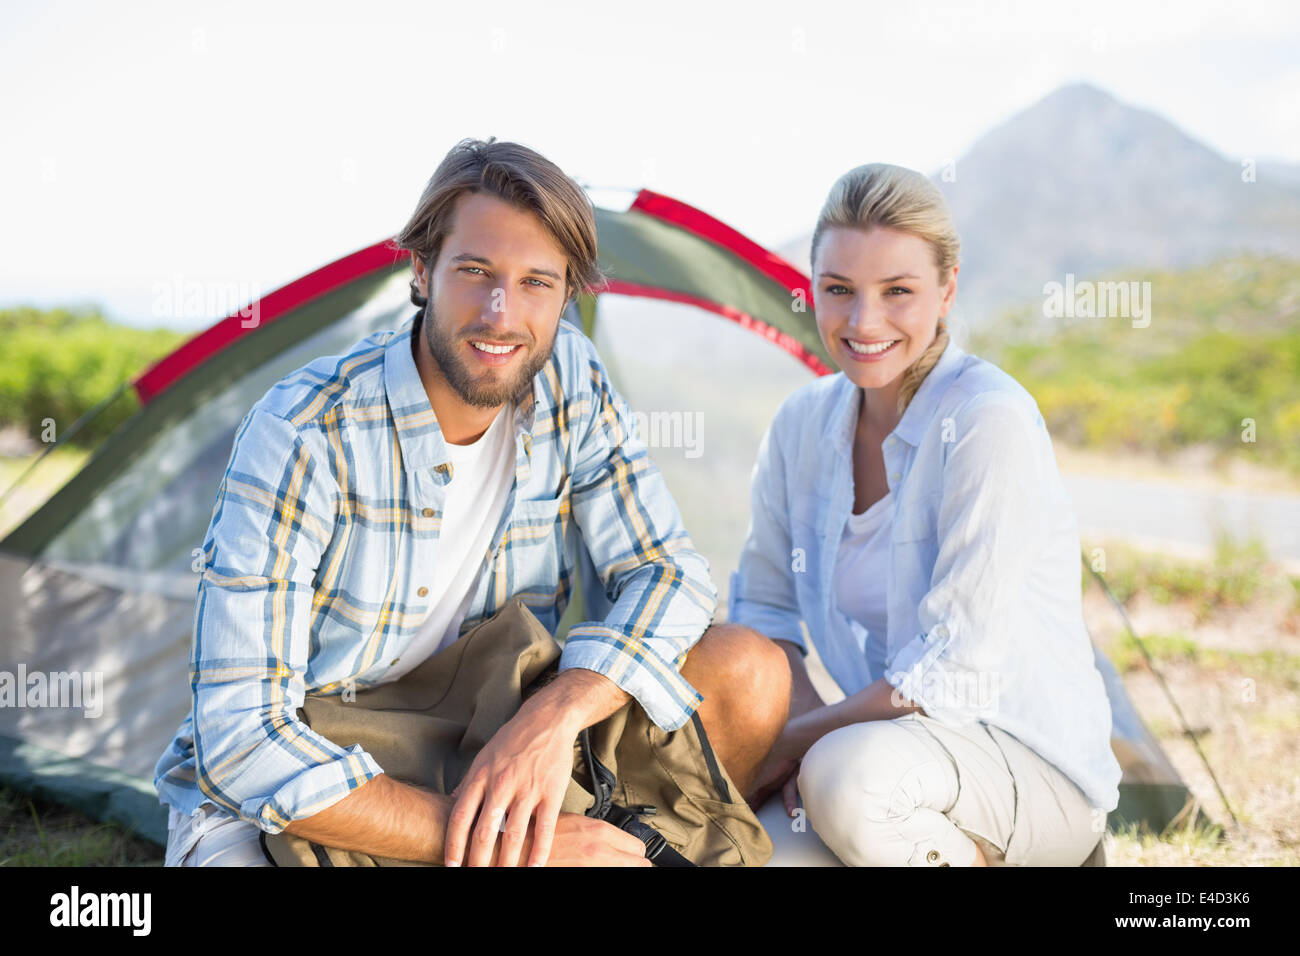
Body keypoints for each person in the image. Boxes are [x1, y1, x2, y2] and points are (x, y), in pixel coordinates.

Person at [154, 137, 790, 868]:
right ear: (422, 271)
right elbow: (242, 740)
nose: (501, 314)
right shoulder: (302, 432)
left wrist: (557, 716)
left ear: (568, 296)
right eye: (476, 272)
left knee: (748, 669)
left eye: (535, 284)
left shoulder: (569, 377)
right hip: (321, 760)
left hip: (492, 729)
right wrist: (518, 845)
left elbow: (669, 572)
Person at [734, 163, 1122, 867]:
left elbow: (954, 672)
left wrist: (801, 743)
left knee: (843, 781)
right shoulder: (800, 426)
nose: (864, 322)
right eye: (839, 291)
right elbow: (763, 608)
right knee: (761, 852)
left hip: (1027, 763)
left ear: (947, 289)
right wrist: (797, 733)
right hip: (889, 760)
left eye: (898, 292)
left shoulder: (987, 419)